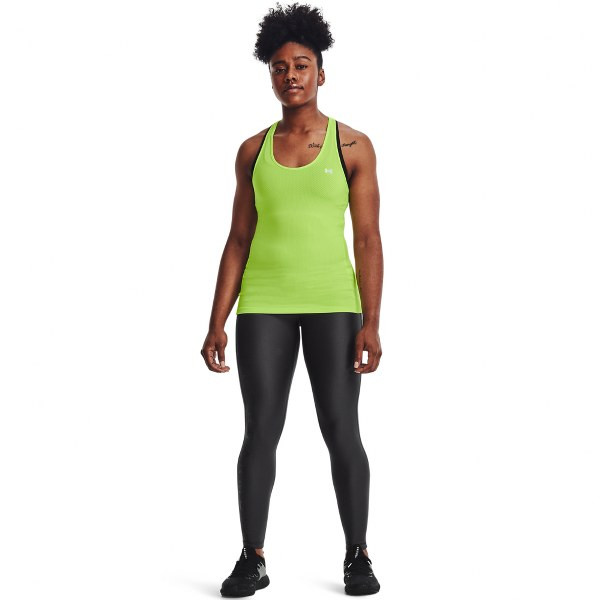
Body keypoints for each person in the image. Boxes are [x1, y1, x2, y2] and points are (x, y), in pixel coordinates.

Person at [201, 2, 383, 596]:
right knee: (260, 431)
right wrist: (216, 322)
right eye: (279, 68)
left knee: (342, 430)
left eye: (301, 65)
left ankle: (358, 555)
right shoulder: (252, 151)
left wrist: (371, 323)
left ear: (320, 73)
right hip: (264, 305)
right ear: (270, 77)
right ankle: (252, 557)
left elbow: (368, 238)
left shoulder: (352, 145)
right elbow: (237, 240)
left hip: (334, 303)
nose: (291, 76)